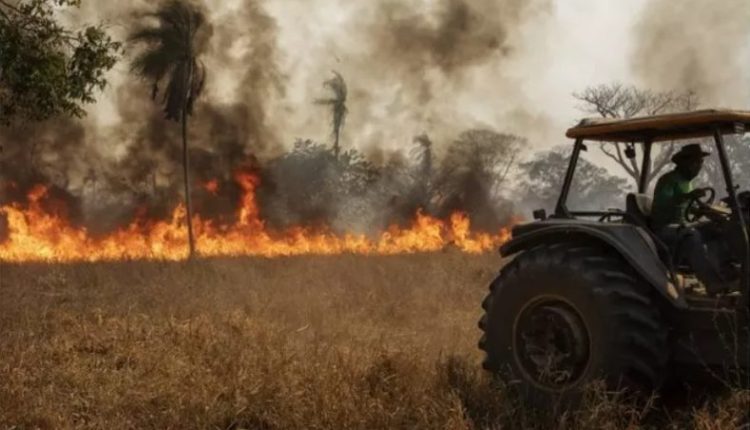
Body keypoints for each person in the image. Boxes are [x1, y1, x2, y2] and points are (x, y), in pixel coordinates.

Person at [651, 143, 727, 295]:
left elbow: (688, 207)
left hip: (681, 225)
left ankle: (727, 272)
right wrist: (688, 196)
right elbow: (663, 204)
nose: (699, 166)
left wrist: (705, 210)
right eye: (696, 162)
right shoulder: (668, 180)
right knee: (691, 235)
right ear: (683, 162)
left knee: (718, 229)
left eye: (700, 162)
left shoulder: (688, 183)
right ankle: (713, 283)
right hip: (664, 227)